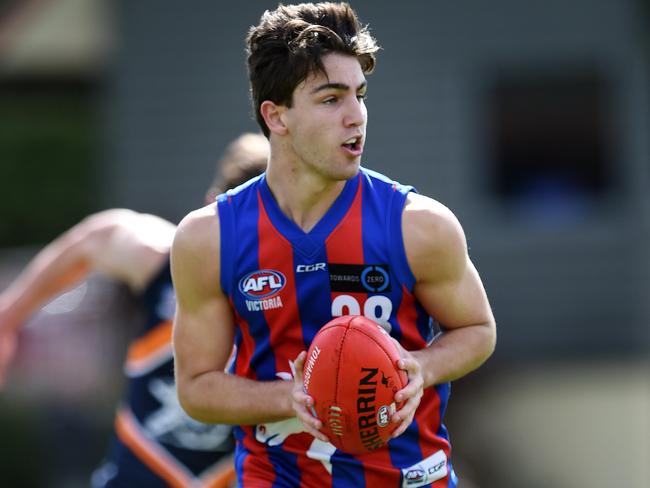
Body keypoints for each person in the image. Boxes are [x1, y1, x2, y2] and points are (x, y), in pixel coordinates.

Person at [172, 3, 496, 487]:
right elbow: (196, 388)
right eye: (331, 99)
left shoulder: (419, 225)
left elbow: (477, 329)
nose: (356, 117)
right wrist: (291, 399)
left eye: (359, 95)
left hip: (409, 477)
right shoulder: (208, 237)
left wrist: (419, 368)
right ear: (276, 116)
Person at [0, 132, 269, 487]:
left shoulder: (304, 302)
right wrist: (9, 318)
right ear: (208, 210)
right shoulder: (167, 263)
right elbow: (97, 237)